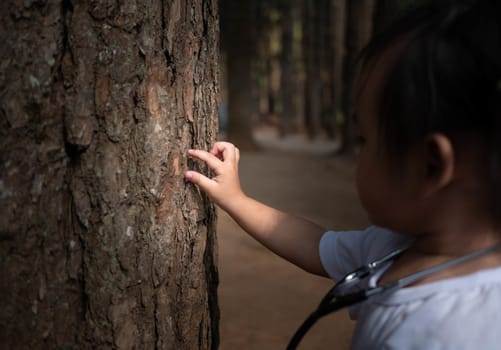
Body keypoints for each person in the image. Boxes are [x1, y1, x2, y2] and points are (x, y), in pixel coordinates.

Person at [185, 0, 501, 348]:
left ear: (431, 165)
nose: (359, 157)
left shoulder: (466, 330)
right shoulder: (396, 245)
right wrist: (236, 199)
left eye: (365, 140)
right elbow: (312, 244)